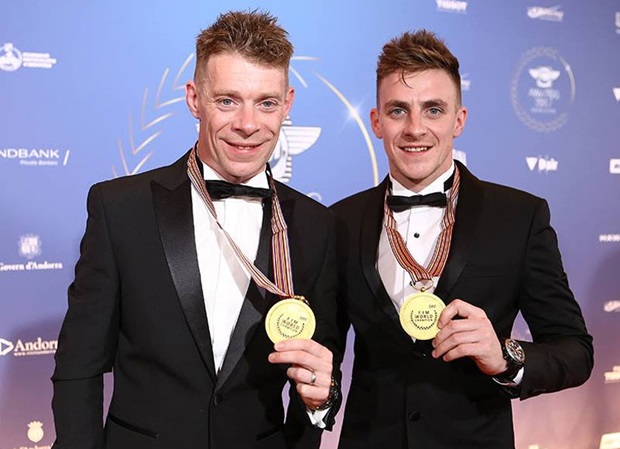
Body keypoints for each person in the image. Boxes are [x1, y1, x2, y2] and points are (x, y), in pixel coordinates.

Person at [51, 10, 341, 449]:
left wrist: (323, 400)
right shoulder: (120, 208)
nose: (247, 124)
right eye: (227, 100)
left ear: (288, 104)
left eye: (266, 102)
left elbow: (318, 376)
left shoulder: (315, 226)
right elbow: (79, 365)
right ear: (194, 98)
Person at [330, 30, 593, 449]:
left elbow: (575, 351)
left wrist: (505, 356)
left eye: (433, 110)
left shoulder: (518, 217)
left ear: (459, 120)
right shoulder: (338, 221)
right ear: (376, 121)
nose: (415, 128)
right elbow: (324, 353)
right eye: (398, 110)